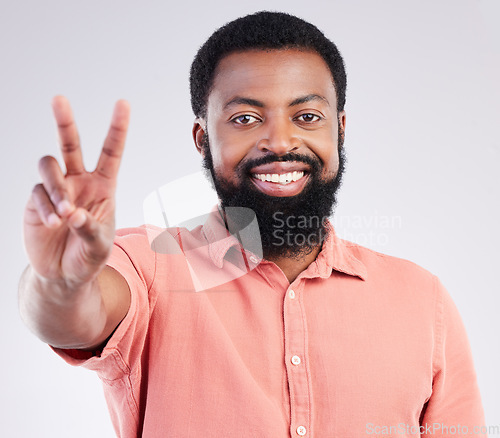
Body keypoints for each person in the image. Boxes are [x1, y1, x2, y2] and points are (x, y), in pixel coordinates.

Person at [19, 11, 486, 438]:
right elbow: (74, 317)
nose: (280, 141)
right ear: (203, 139)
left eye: (307, 116)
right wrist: (60, 281)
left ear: (339, 129)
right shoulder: (151, 266)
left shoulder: (423, 300)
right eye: (245, 118)